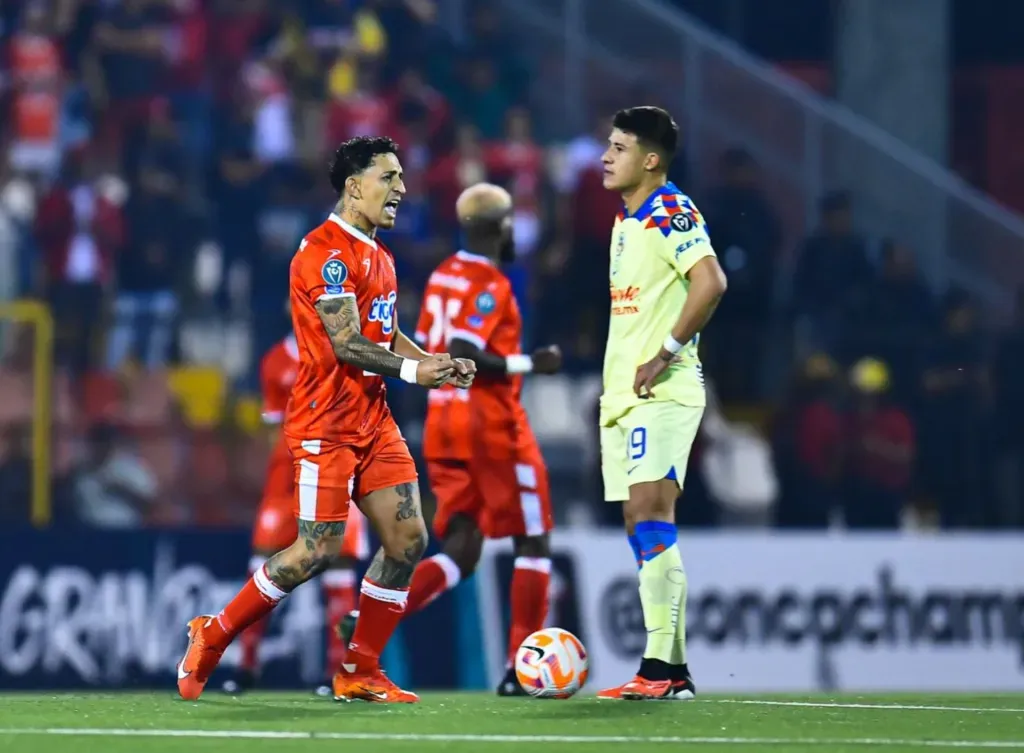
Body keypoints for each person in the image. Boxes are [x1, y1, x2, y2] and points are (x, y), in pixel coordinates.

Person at [176, 136, 476, 704]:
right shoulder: (324, 253)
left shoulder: (379, 254)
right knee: (317, 549)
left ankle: (359, 669)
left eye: (402, 176)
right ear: (353, 184)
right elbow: (345, 342)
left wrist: (428, 359)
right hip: (326, 424)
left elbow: (383, 335)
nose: (402, 189)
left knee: (409, 537)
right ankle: (212, 634)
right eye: (389, 177)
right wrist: (414, 377)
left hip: (374, 421)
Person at [336, 183, 563, 696]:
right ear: (501, 228)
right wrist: (534, 363)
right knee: (534, 539)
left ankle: (367, 620)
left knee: (462, 548)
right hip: (490, 422)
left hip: (444, 422)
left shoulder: (442, 275)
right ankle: (521, 671)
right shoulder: (490, 282)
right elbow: (465, 349)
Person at [596, 106, 727, 700]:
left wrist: (666, 352)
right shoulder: (626, 222)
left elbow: (711, 281)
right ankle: (672, 672)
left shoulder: (669, 210)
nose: (605, 156)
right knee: (637, 521)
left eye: (619, 147)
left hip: (663, 389)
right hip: (625, 395)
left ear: (651, 160)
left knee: (651, 511)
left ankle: (657, 668)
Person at [220, 330, 371, 696]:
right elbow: (275, 427)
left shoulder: (349, 349)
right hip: (286, 482)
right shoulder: (275, 360)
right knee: (262, 565)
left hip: (337, 471)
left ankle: (339, 671)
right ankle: (246, 666)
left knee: (338, 567)